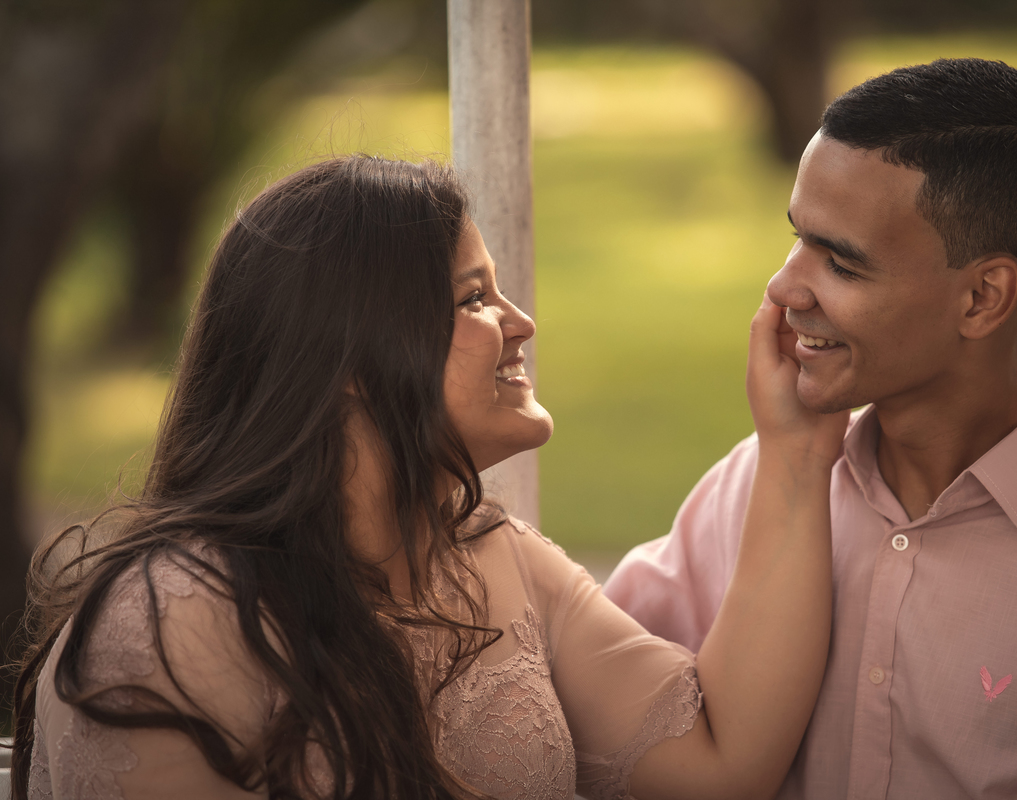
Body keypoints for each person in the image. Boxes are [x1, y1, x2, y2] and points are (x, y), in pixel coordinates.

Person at [10, 156, 843, 800]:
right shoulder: (173, 620)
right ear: (348, 358)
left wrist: (799, 448)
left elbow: (722, 762)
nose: (521, 324)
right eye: (474, 297)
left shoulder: (495, 559)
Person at [604, 57, 1017, 798]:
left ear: (983, 297)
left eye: (842, 264)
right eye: (797, 238)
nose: (784, 287)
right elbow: (590, 712)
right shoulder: (752, 486)